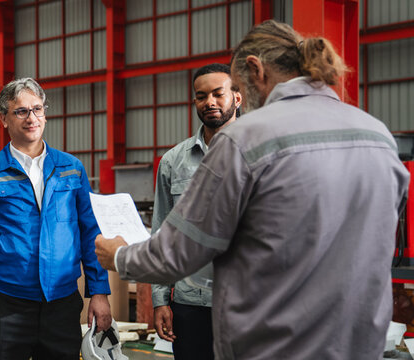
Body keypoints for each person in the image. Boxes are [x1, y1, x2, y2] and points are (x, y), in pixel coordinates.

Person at [95, 20, 409, 359]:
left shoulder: (247, 140)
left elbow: (180, 251)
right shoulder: (377, 135)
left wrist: (119, 256)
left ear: (255, 70)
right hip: (360, 342)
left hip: (276, 344)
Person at [0, 77, 112, 360]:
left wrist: (99, 293)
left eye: (37, 109)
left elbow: (91, 233)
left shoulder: (72, 169)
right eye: (21, 111)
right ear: (3, 119)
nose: (32, 118)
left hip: (62, 303)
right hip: (6, 304)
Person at [150, 63, 241, 359]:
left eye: (218, 94)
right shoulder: (174, 161)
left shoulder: (261, 154)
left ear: (236, 98)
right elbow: (162, 233)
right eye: (201, 96)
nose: (210, 102)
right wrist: (160, 300)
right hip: (191, 305)